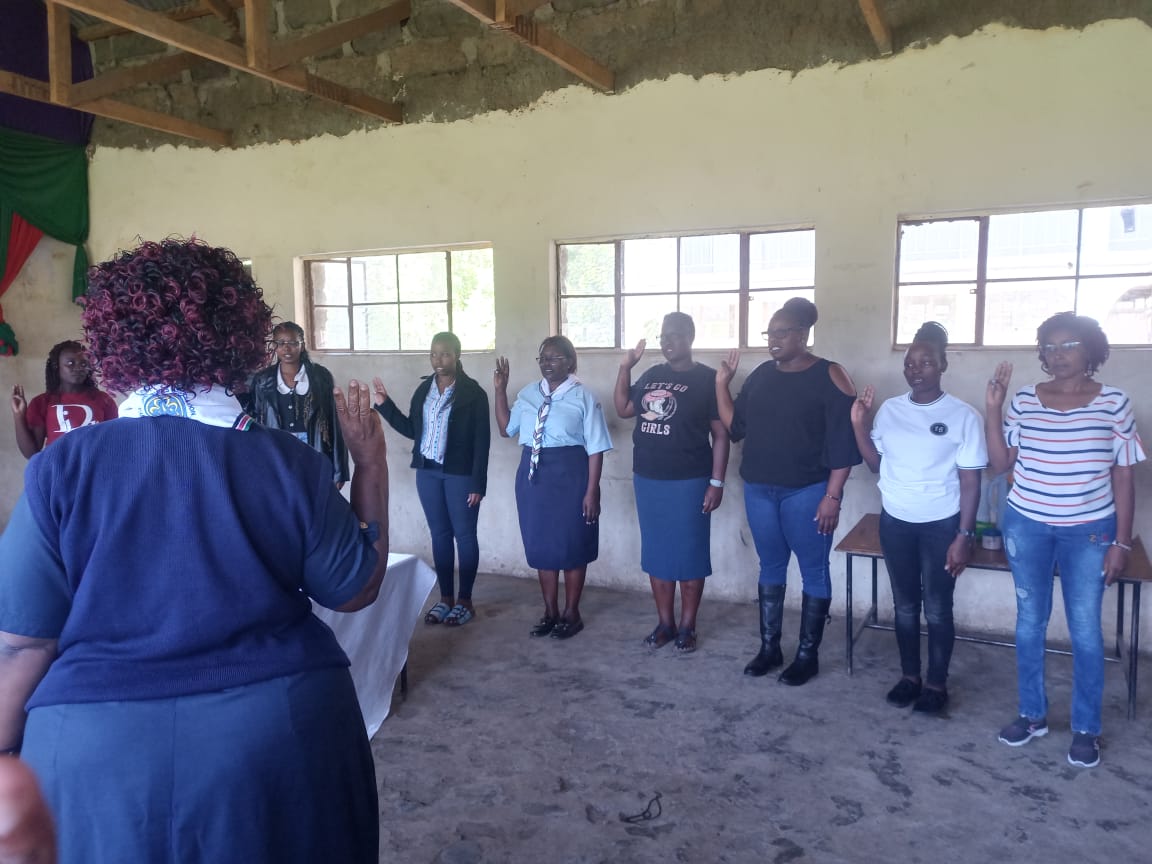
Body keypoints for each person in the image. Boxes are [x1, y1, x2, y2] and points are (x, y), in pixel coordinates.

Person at [0, 238, 390, 863]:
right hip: (280, 742)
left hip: (94, 755)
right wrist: (371, 465)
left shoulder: (60, 469)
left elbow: (23, 646)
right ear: (242, 337)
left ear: (111, 341)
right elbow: (355, 586)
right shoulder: (284, 461)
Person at [986, 312, 1144, 769]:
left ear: (1091, 350)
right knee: (1029, 621)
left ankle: (1086, 728)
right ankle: (1032, 715)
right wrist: (994, 408)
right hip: (1027, 524)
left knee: (1085, 630)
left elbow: (1124, 475)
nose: (1058, 355)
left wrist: (1122, 543)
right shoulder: (1023, 400)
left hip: (1090, 531)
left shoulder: (1114, 402)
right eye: (1050, 347)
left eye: (1069, 345)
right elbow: (1000, 463)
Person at [716, 297, 860, 685]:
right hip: (759, 489)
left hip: (808, 492)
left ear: (803, 334)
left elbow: (844, 441)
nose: (773, 340)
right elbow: (736, 426)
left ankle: (807, 655)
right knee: (771, 566)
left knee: (813, 569)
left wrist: (833, 495)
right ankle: (769, 648)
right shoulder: (762, 374)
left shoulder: (831, 375)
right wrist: (720, 385)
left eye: (782, 333)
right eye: (770, 333)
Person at [850, 322, 987, 714]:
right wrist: (859, 424)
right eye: (910, 363)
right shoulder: (891, 410)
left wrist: (964, 534)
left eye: (926, 362)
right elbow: (875, 464)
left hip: (942, 524)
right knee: (905, 604)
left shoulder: (963, 416)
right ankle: (910, 677)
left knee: (939, 607)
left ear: (943, 365)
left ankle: (937, 684)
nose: (916, 369)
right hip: (896, 522)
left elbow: (970, 484)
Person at [614, 312, 730, 653]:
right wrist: (625, 367)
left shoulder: (708, 380)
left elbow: (720, 436)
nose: (667, 342)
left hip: (690, 480)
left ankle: (687, 626)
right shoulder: (652, 374)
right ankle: (664, 623)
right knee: (657, 554)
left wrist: (717, 482)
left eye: (676, 335)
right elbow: (622, 409)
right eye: (664, 336)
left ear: (691, 337)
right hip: (648, 478)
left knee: (690, 554)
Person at [493, 336, 612, 640]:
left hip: (571, 475)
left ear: (570, 363)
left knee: (573, 543)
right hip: (534, 478)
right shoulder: (529, 394)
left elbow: (596, 447)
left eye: (555, 358)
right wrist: (500, 390)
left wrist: (591, 490)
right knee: (542, 545)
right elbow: (507, 429)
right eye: (543, 358)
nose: (547, 363)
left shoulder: (584, 397)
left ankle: (572, 613)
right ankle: (550, 611)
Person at [373, 332, 490, 627]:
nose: (439, 360)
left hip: (460, 474)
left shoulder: (473, 394)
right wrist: (385, 404)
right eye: (434, 354)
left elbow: (481, 443)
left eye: (446, 354)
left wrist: (478, 483)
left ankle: (465, 600)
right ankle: (445, 598)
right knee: (439, 534)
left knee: (464, 535)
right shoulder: (424, 390)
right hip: (428, 472)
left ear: (458, 355)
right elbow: (413, 429)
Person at [245, 321, 350, 486]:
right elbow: (255, 425)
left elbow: (334, 423)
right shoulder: (262, 380)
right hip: (276, 457)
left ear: (302, 345)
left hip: (314, 453)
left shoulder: (320, 377)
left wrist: (339, 471)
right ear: (274, 346)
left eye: (293, 343)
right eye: (280, 343)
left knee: (313, 501)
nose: (286, 349)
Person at [10, 340, 118, 459]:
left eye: (83, 364)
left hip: (95, 470)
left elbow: (113, 443)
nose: (78, 368)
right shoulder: (42, 402)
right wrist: (18, 416)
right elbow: (31, 453)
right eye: (70, 363)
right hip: (56, 470)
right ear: (57, 366)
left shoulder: (104, 399)